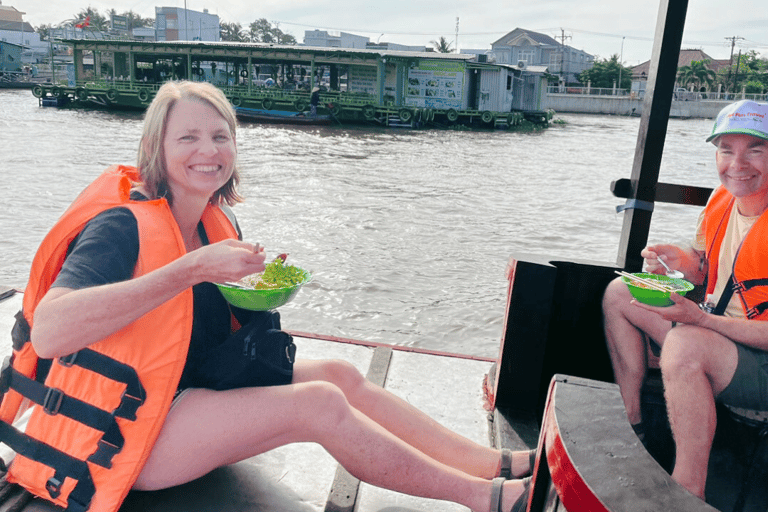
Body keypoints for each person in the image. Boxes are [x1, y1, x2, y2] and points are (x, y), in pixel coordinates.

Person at [0, 80, 534, 512]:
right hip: (129, 434)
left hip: (185, 393)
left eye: (220, 135)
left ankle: (490, 464)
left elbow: (191, 324)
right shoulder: (118, 228)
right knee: (319, 404)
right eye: (188, 138)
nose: (208, 150)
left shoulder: (215, 220)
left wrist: (250, 284)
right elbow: (49, 331)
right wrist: (188, 271)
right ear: (156, 149)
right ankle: (485, 500)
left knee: (341, 377)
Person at [603, 99, 768, 499]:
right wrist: (680, 261)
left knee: (684, 343)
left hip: (758, 361)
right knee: (620, 292)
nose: (737, 164)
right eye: (726, 150)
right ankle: (634, 422)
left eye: (756, 151)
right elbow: (704, 266)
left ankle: (687, 488)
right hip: (719, 336)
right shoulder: (721, 200)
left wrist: (702, 321)